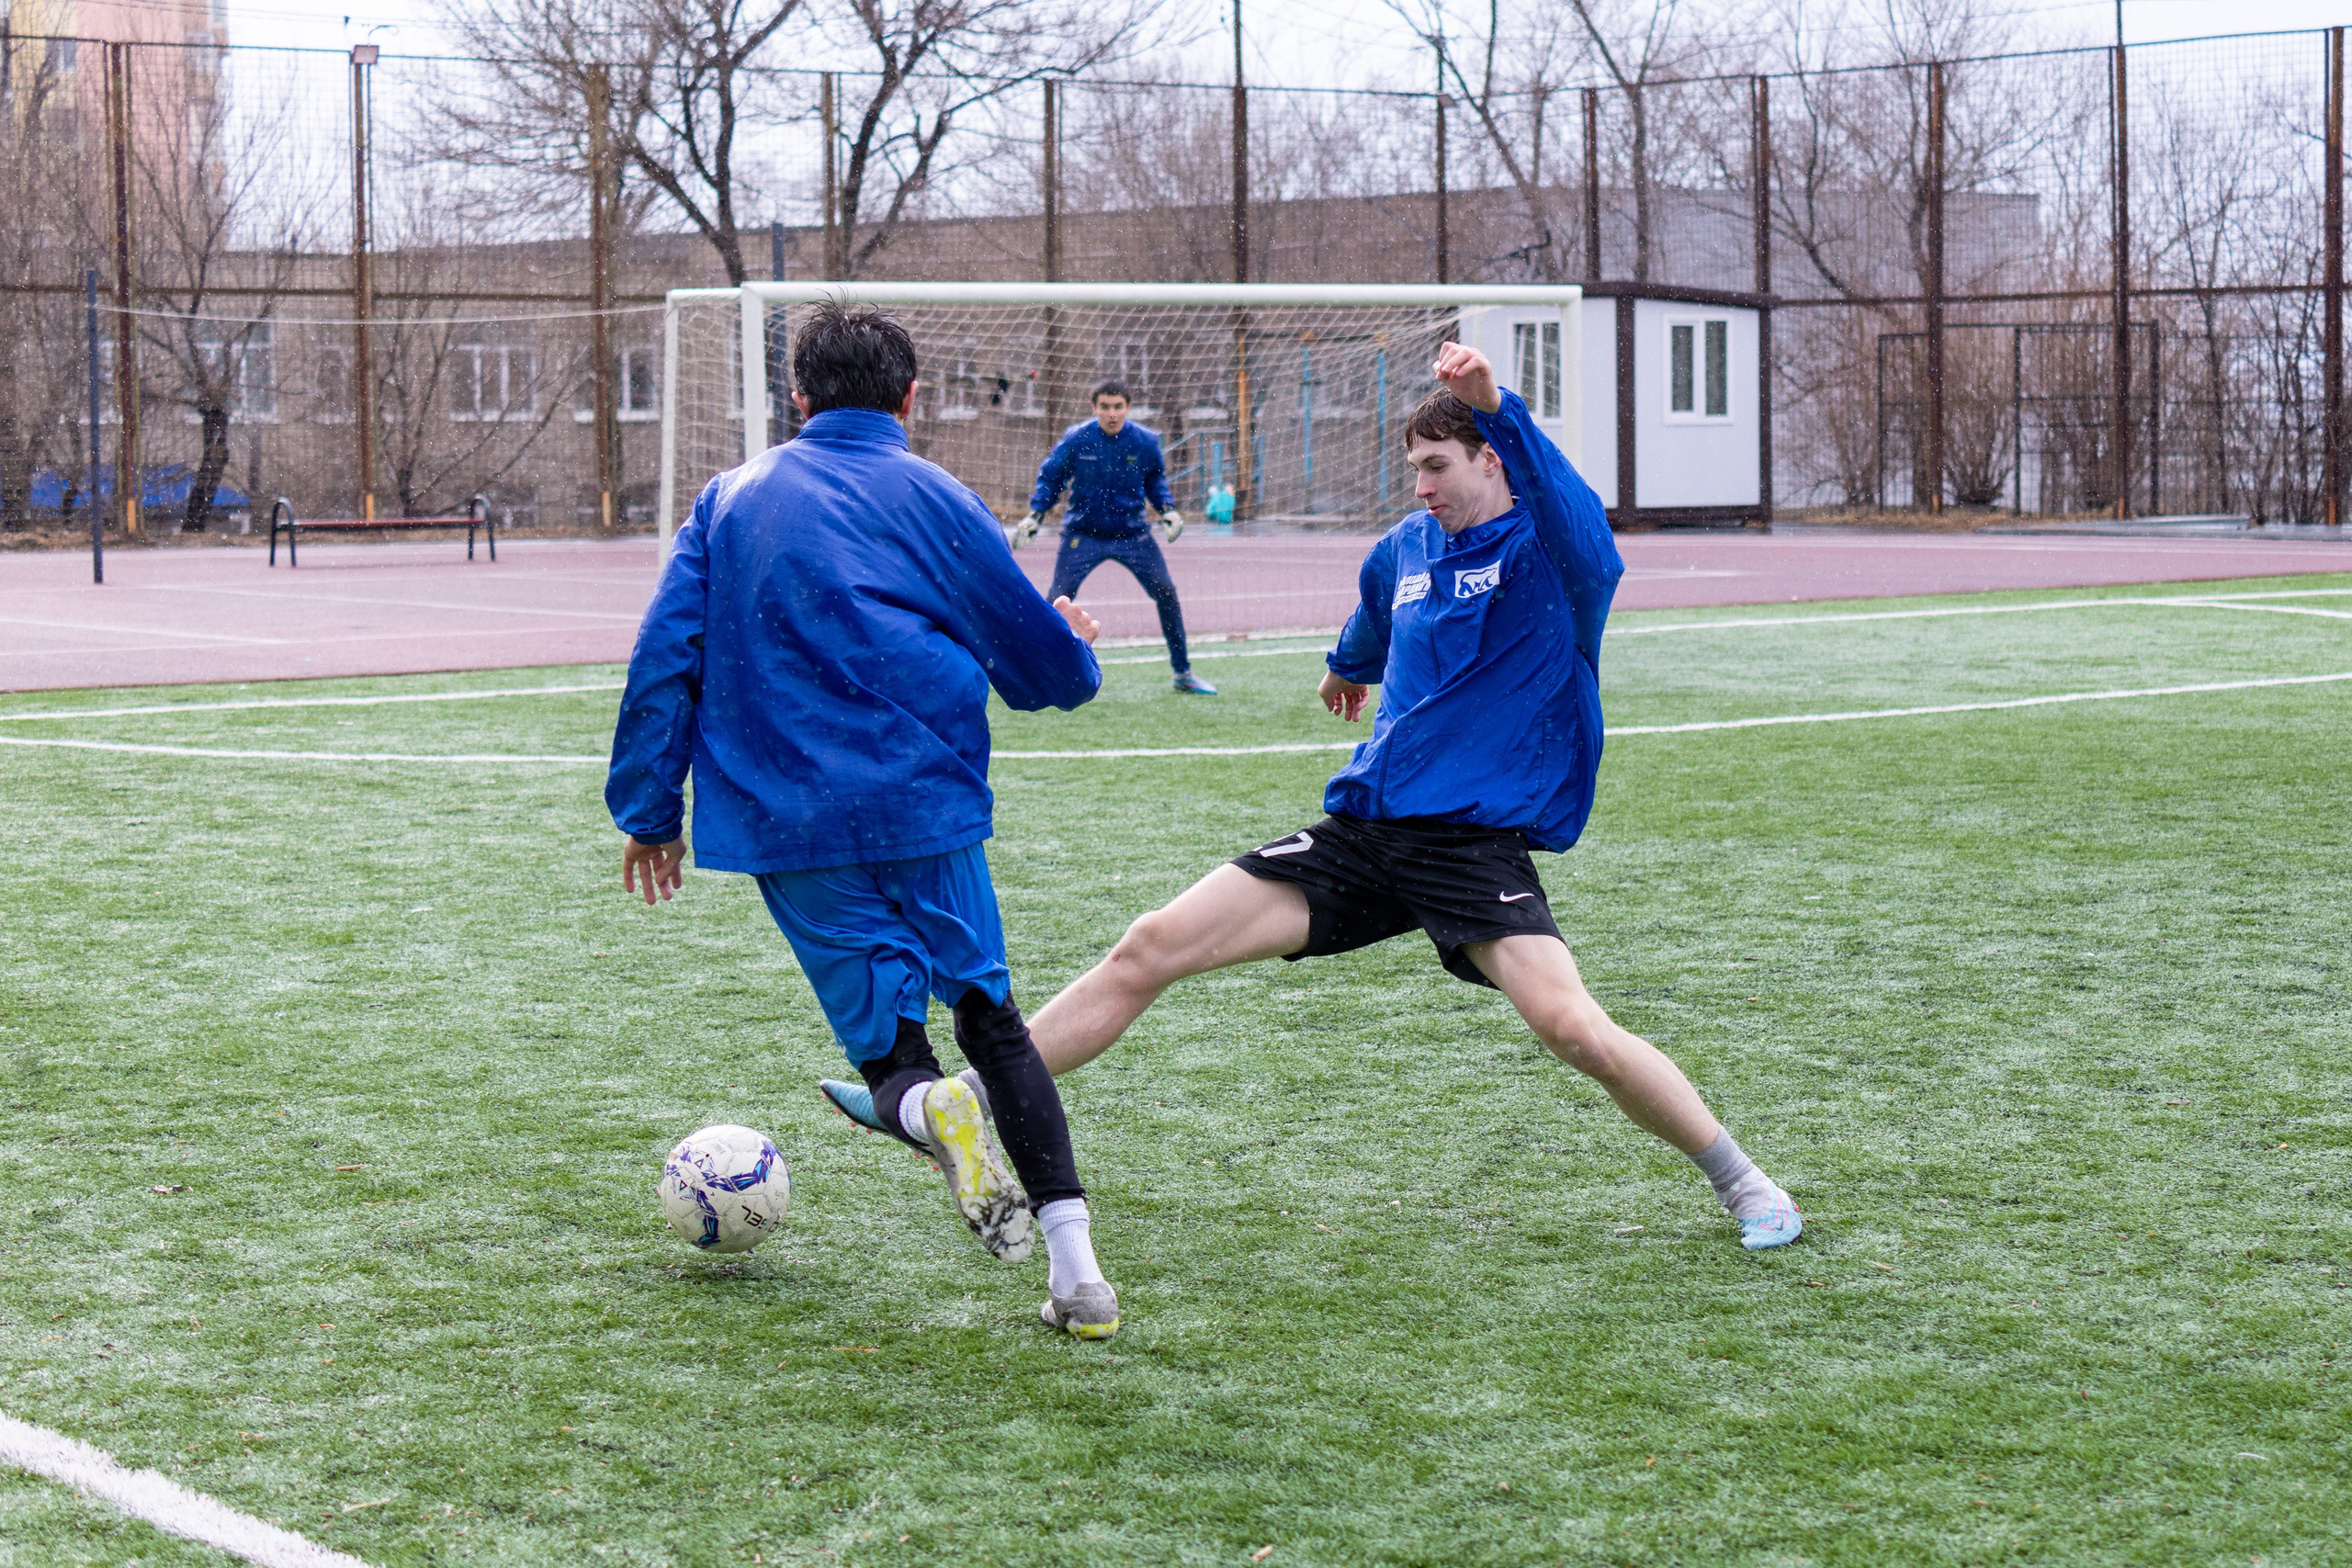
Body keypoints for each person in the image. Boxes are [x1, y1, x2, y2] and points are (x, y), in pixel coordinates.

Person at [1027, 343, 1802, 1250]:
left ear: (1490, 460)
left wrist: (1496, 401)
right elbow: (1376, 605)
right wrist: (1345, 668)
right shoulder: (1406, 546)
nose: (1423, 485)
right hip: (1363, 836)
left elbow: (1583, 522)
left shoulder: (1552, 558)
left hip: (1470, 848)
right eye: (1415, 469)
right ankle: (959, 1105)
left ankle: (1748, 1186)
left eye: (1438, 466)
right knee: (1148, 946)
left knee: (1573, 1029)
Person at [605, 302, 1125, 1337]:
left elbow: (665, 654)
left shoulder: (726, 500)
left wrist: (649, 809)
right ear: (909, 396)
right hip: (922, 801)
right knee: (993, 1018)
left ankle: (932, 1109)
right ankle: (1079, 1278)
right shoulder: (937, 496)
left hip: (787, 818)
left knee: (894, 1059)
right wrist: (1070, 649)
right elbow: (1038, 668)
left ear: (798, 399)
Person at [1010, 378, 1218, 696]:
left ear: (1127, 409)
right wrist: (1035, 515)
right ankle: (1039, 671)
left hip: (1133, 535)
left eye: (1118, 407)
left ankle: (1183, 673)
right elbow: (1052, 478)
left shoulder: (1145, 441)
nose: (1111, 413)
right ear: (1094, 408)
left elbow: (1155, 481)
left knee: (1166, 593)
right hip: (1082, 535)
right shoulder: (1077, 438)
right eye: (1105, 407)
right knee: (1057, 601)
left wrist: (1168, 511)